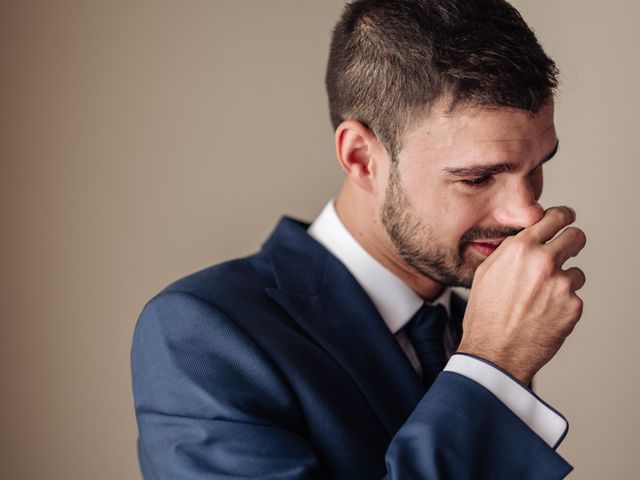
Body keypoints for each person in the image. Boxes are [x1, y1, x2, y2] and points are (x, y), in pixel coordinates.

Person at [131, 0, 586, 478]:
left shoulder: (471, 327)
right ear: (361, 158)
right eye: (477, 178)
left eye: (538, 166)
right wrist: (494, 367)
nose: (528, 212)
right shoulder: (202, 335)